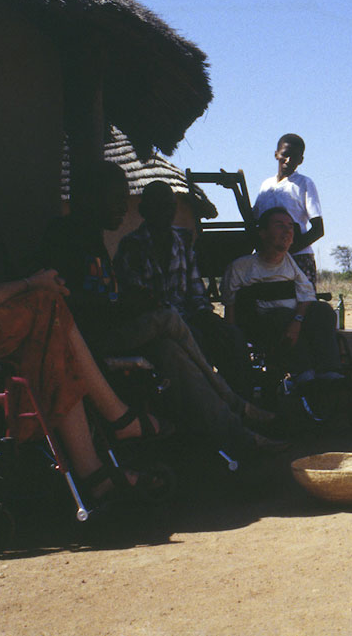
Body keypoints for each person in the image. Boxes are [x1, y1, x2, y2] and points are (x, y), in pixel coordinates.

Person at [0, 84, 166, 503]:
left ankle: (94, 466)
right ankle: (113, 425)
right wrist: (32, 283)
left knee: (48, 336)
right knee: (46, 303)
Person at [40, 161, 283, 460]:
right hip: (90, 342)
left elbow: (117, 292)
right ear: (91, 197)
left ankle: (240, 438)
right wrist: (124, 302)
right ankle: (234, 402)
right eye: (116, 199)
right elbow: (71, 303)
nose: (121, 207)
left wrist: (129, 300)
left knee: (174, 349)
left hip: (122, 329)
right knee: (169, 318)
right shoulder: (67, 236)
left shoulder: (97, 237)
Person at [114, 180, 250, 396]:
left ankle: (241, 398)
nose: (164, 213)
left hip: (188, 316)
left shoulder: (182, 241)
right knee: (196, 340)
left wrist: (206, 315)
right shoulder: (132, 246)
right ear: (143, 210)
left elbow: (195, 291)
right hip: (158, 324)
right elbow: (138, 299)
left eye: (169, 207)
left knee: (230, 336)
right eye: (157, 207)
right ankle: (208, 401)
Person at [222, 207, 342, 382]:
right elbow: (230, 307)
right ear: (263, 233)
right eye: (279, 226)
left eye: (290, 227)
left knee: (323, 310)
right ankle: (302, 373)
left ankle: (329, 371)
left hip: (292, 319)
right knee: (281, 316)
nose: (287, 231)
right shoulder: (241, 268)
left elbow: (307, 296)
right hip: (264, 324)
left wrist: (297, 321)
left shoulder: (290, 264)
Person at [251, 133, 323, 287]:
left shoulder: (304, 183)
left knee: (303, 304)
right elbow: (254, 220)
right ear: (276, 154)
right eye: (285, 154)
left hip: (297, 257)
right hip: (269, 259)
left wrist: (286, 253)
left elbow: (318, 229)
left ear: (301, 160)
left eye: (295, 157)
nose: (289, 160)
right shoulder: (266, 185)